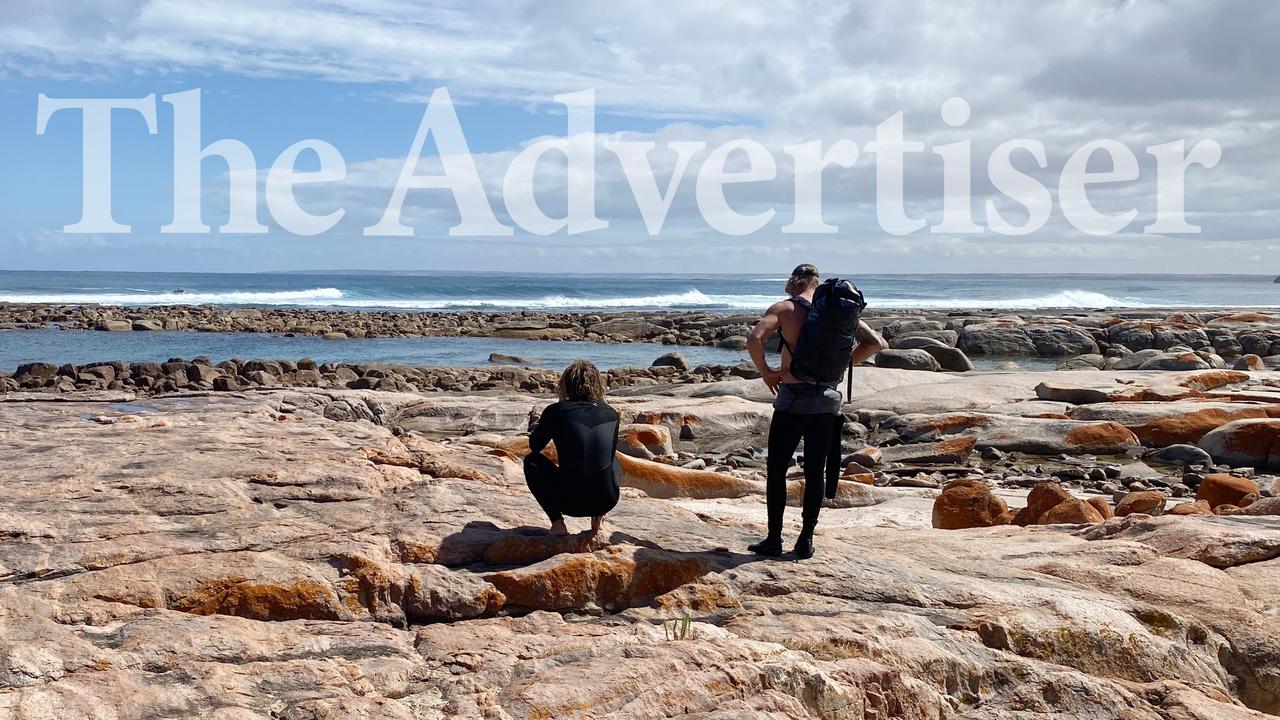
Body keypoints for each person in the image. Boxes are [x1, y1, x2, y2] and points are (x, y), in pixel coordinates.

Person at [745, 264, 885, 559]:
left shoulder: (785, 309)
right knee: (815, 471)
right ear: (817, 284)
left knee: (777, 470)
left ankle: (774, 540)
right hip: (827, 401)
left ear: (793, 283)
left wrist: (767, 373)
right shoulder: (838, 311)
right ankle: (805, 540)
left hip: (793, 399)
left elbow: (754, 339)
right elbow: (876, 343)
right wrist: (839, 366)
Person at [524, 360, 622, 536]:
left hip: (569, 501)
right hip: (607, 499)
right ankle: (598, 519)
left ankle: (557, 524)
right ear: (598, 384)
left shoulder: (557, 411)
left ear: (566, 385)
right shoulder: (611, 413)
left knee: (532, 462)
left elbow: (535, 447)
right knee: (613, 460)